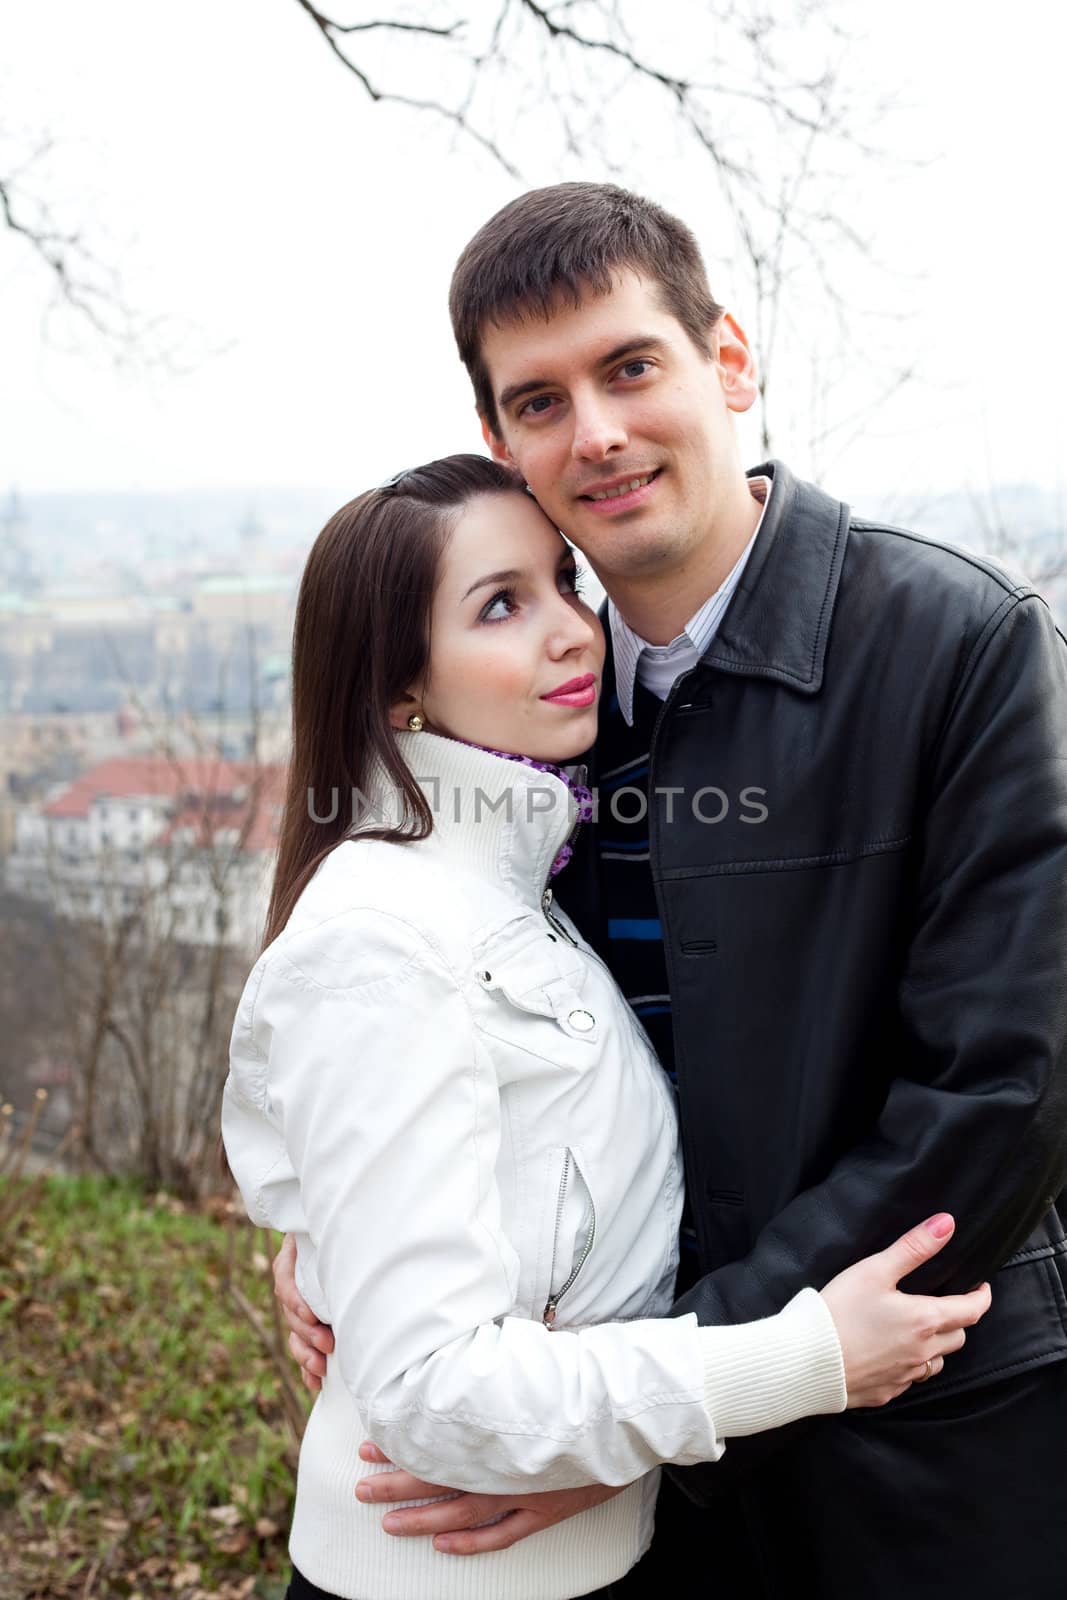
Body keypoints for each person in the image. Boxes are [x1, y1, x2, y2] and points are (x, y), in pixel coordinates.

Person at [275, 184, 1067, 1596]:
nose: (594, 432)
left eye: (629, 367)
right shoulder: (533, 719)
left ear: (729, 361)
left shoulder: (963, 649)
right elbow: (445, 1044)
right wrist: (346, 1235)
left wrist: (673, 1397)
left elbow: (992, 1099)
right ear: (498, 443)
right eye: (538, 399)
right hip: (625, 1484)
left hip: (917, 1443)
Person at [222, 453, 988, 1600]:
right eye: (500, 604)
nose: (576, 631)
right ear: (397, 693)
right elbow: (437, 1393)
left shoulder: (510, 889)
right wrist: (806, 1360)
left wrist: (340, 1231)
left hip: (596, 1563)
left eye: (561, 583)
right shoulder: (380, 939)